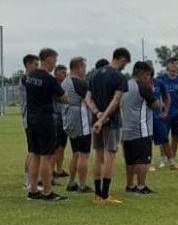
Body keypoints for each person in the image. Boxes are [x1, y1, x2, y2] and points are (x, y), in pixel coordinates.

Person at [24, 48, 69, 202]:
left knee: (35, 155)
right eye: (54, 61)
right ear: (48, 60)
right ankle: (47, 191)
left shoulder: (30, 76)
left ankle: (33, 190)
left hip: (31, 119)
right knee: (46, 156)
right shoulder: (49, 79)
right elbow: (65, 98)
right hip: (45, 120)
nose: (54, 64)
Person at [87, 47, 131, 204]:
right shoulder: (119, 77)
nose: (125, 66)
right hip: (111, 122)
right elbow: (116, 100)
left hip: (96, 120)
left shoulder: (94, 75)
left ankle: (97, 195)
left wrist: (97, 115)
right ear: (121, 59)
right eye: (125, 63)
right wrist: (104, 117)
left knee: (98, 157)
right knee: (109, 157)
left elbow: (88, 98)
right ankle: (105, 195)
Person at [123, 61, 162, 194]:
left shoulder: (126, 85)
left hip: (127, 129)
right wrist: (154, 93)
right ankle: (141, 186)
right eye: (147, 75)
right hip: (141, 129)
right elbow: (155, 104)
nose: (148, 78)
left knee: (130, 161)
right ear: (140, 73)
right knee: (142, 159)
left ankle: (130, 185)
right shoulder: (143, 87)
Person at [62, 57, 93, 193]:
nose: (85, 70)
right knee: (83, 153)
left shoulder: (65, 81)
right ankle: (82, 184)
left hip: (69, 119)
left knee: (75, 152)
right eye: (84, 67)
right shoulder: (79, 83)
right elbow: (89, 101)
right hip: (81, 119)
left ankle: (72, 182)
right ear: (79, 67)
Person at [156, 57, 178, 169]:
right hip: (164, 112)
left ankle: (172, 159)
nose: (174, 65)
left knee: (175, 136)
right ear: (167, 66)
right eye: (172, 63)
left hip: (176, 112)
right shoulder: (160, 79)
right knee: (163, 136)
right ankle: (163, 159)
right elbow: (156, 94)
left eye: (176, 63)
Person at [20, 53, 39, 190]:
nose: (37, 67)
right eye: (35, 64)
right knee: (32, 151)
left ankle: (30, 180)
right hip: (30, 118)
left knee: (32, 150)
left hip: (30, 118)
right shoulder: (26, 79)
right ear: (28, 64)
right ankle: (28, 181)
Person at [151, 69, 174, 171]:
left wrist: (165, 111)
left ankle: (172, 163)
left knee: (164, 139)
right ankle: (149, 163)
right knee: (147, 141)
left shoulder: (159, 83)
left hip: (158, 117)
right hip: (145, 118)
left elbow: (167, 97)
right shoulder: (141, 84)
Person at [52, 64, 69, 181]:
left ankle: (59, 169)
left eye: (65, 73)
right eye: (62, 72)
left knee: (62, 146)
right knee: (55, 146)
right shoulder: (53, 84)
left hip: (64, 118)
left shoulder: (65, 85)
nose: (64, 75)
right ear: (56, 73)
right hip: (56, 117)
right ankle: (51, 170)